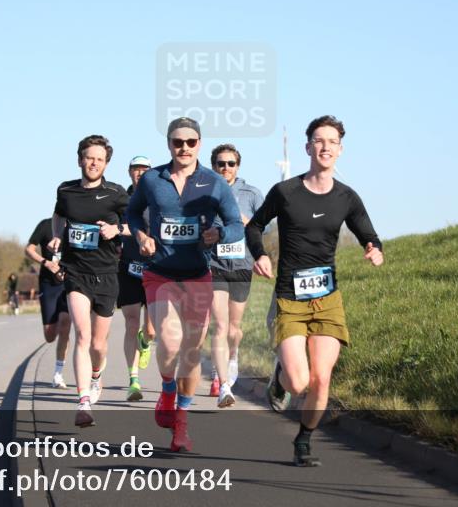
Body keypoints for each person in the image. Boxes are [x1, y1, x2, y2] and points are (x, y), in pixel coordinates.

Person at [246, 115, 384, 467]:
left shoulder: (346, 197)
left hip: (327, 300)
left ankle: (304, 440)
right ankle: (280, 375)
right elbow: (256, 225)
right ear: (308, 147)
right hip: (289, 299)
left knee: (322, 378)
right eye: (319, 141)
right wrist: (260, 254)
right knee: (298, 383)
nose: (325, 147)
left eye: (332, 141)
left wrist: (373, 248)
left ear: (340, 150)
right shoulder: (286, 192)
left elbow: (369, 232)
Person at [126, 117, 243, 452]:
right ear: (169, 144)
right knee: (170, 340)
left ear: (199, 145)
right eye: (178, 142)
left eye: (191, 142)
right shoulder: (151, 180)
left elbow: (235, 223)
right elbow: (133, 213)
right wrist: (141, 234)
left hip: (197, 274)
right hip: (160, 271)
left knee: (192, 348)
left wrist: (219, 233)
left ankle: (181, 424)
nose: (184, 148)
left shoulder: (214, 182)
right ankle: (166, 388)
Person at [48, 135, 129, 427]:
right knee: (82, 335)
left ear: (106, 163)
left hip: (107, 273)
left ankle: (97, 376)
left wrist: (117, 229)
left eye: (99, 159)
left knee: (98, 343)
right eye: (89, 157)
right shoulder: (66, 190)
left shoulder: (116, 193)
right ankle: (83, 401)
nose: (93, 163)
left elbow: (140, 227)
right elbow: (58, 216)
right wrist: (57, 235)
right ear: (80, 159)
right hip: (76, 271)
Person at [205, 144, 264, 407]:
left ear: (237, 166)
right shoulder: (205, 193)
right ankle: (224, 385)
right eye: (220, 163)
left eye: (230, 163)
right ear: (213, 166)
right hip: (215, 264)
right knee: (219, 325)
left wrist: (243, 220)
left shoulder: (251, 194)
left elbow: (263, 227)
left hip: (241, 265)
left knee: (233, 328)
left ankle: (233, 357)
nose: (225, 168)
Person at [117, 156, 157, 401]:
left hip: (153, 269)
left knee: (150, 330)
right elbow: (113, 227)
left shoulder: (158, 198)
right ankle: (133, 380)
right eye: (135, 169)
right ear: (129, 172)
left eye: (144, 169)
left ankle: (146, 340)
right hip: (128, 269)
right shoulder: (121, 199)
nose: (139, 172)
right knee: (131, 323)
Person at [25, 218, 72, 388]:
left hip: (69, 283)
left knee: (66, 323)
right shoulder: (45, 225)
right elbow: (29, 249)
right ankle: (57, 325)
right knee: (50, 335)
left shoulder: (76, 226)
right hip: (48, 284)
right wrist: (46, 263)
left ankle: (58, 374)